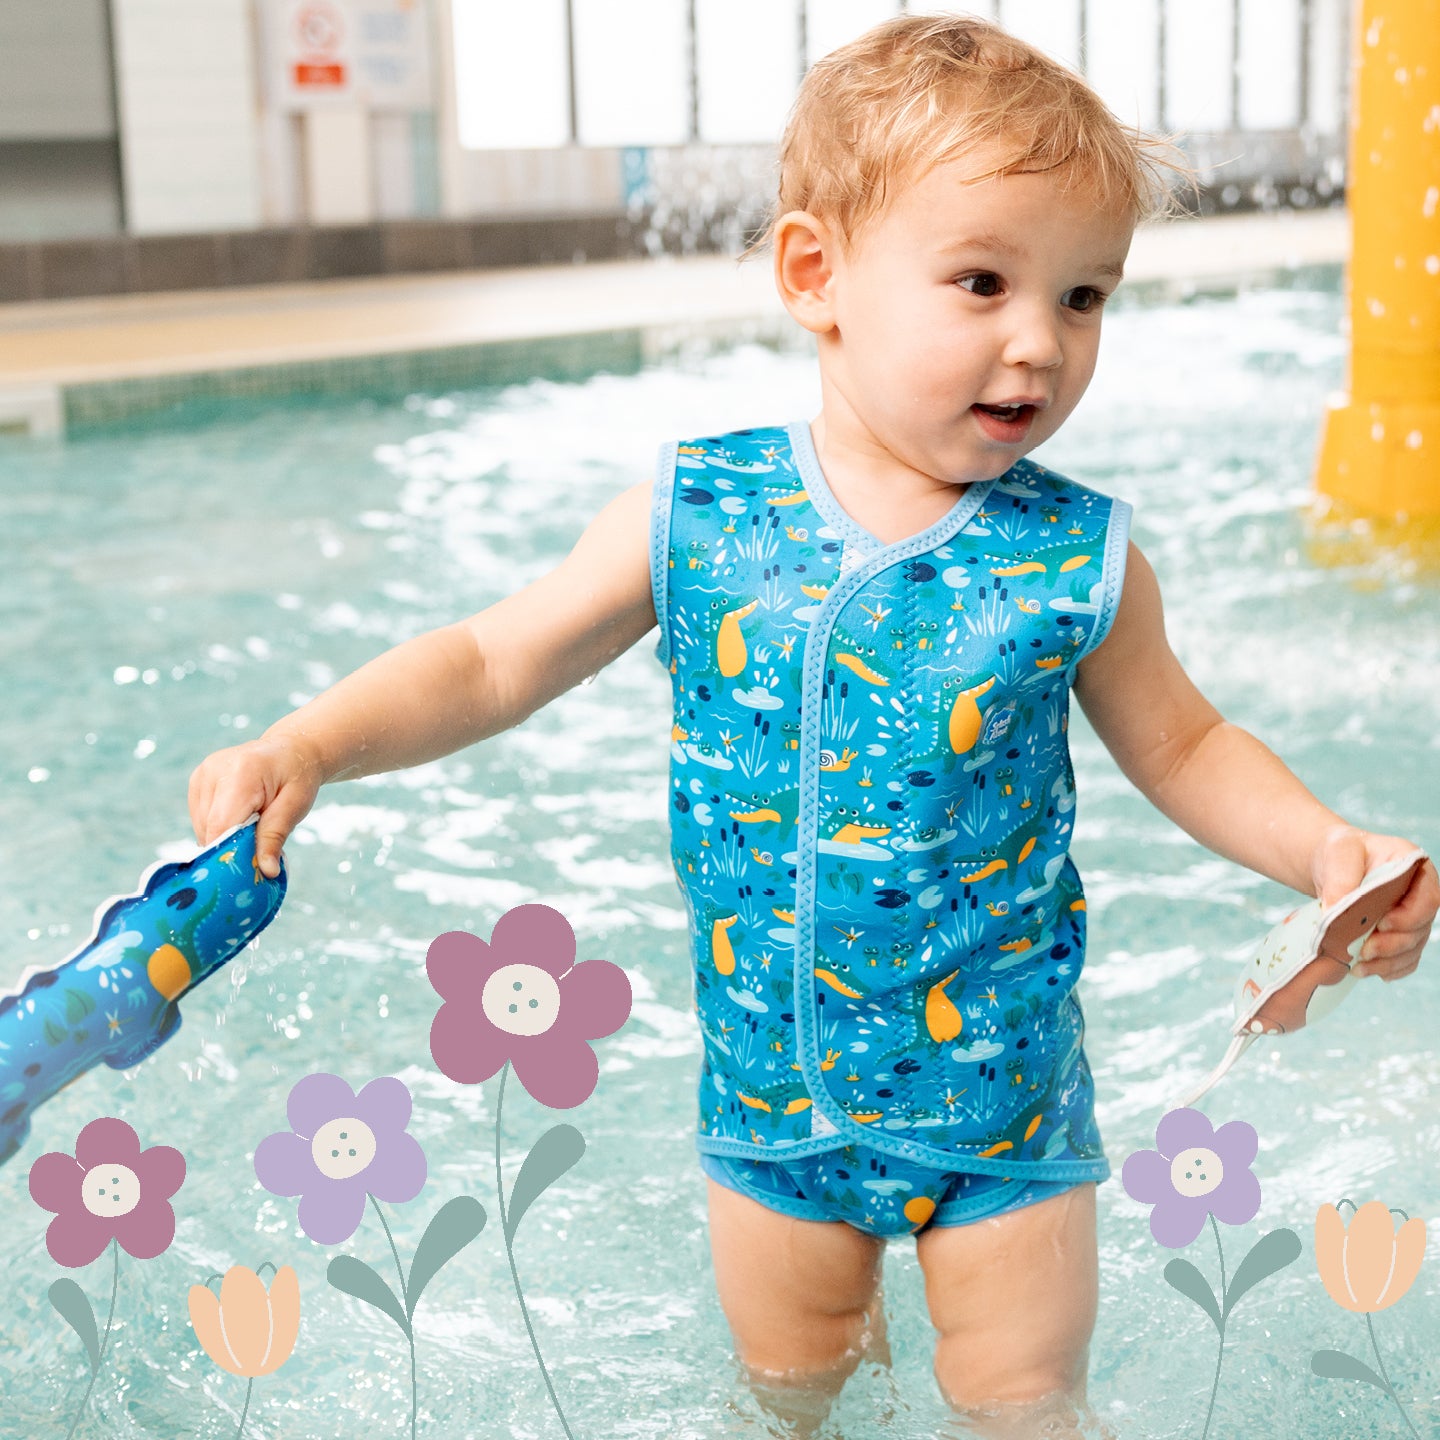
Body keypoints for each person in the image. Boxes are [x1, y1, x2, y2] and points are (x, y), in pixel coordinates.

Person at [189, 15, 1439, 1438]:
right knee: (787, 1398)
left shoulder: (1076, 562)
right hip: (774, 1116)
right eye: (983, 282)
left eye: (1085, 295)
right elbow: (490, 659)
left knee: (1024, 1401)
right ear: (814, 275)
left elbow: (1188, 748)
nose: (1040, 340)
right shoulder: (699, 515)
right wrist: (309, 746)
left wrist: (1324, 849)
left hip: (1003, 1111)